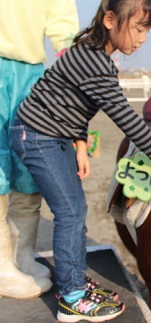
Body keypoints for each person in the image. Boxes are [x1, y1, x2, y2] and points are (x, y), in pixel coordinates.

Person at [11, 0, 151, 323]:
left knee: (75, 208)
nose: (143, 38)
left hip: (54, 136)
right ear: (110, 19)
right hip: (37, 137)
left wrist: (80, 143)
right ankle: (72, 297)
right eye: (138, 28)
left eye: (146, 31)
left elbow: (71, 105)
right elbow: (125, 117)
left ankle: (74, 279)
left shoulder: (94, 56)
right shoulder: (94, 62)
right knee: (70, 211)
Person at [0, 0, 79, 299]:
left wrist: (75, 56)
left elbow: (62, 21)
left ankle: (22, 256)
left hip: (30, 70)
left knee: (28, 162)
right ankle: (2, 267)